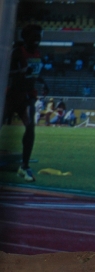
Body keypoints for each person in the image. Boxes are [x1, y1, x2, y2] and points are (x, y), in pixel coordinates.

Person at [4, 24, 49, 182]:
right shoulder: (17, 52)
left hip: (27, 96)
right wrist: (21, 72)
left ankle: (24, 166)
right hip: (11, 95)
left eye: (39, 36)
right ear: (26, 37)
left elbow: (34, 73)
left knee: (30, 128)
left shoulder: (37, 53)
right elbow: (5, 72)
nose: (37, 39)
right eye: (34, 36)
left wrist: (43, 83)